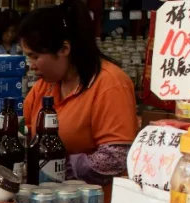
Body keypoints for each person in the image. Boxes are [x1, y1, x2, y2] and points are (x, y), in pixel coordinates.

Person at [20, 0, 138, 184]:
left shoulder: (110, 84)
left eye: (35, 56)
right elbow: (23, 132)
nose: (31, 65)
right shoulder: (45, 86)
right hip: (48, 198)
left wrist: (55, 166)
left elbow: (115, 158)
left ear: (64, 49)